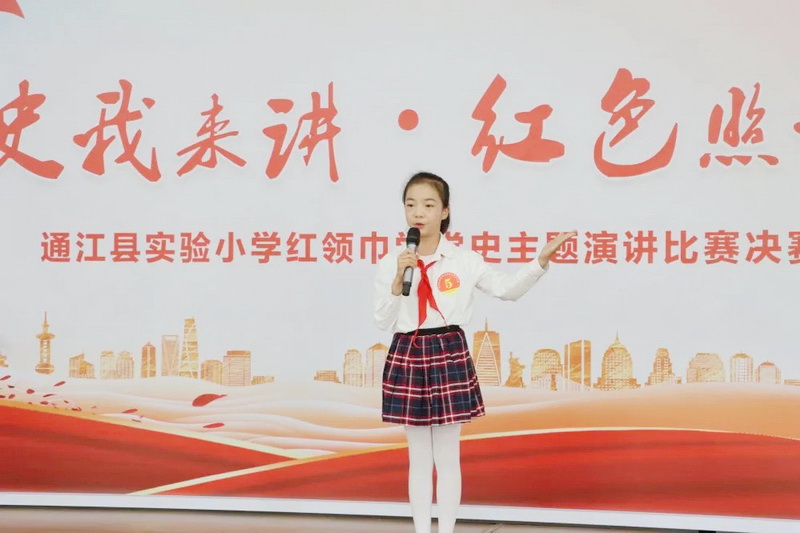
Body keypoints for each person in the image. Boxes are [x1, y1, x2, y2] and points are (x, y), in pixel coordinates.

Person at [374, 171, 576, 533]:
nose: (418, 212)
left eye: (428, 205)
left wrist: (540, 262)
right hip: (409, 350)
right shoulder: (393, 260)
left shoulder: (464, 260)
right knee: (418, 458)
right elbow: (381, 319)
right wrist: (395, 282)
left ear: (445, 211)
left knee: (447, 456)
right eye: (410, 204)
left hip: (448, 350)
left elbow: (506, 289)